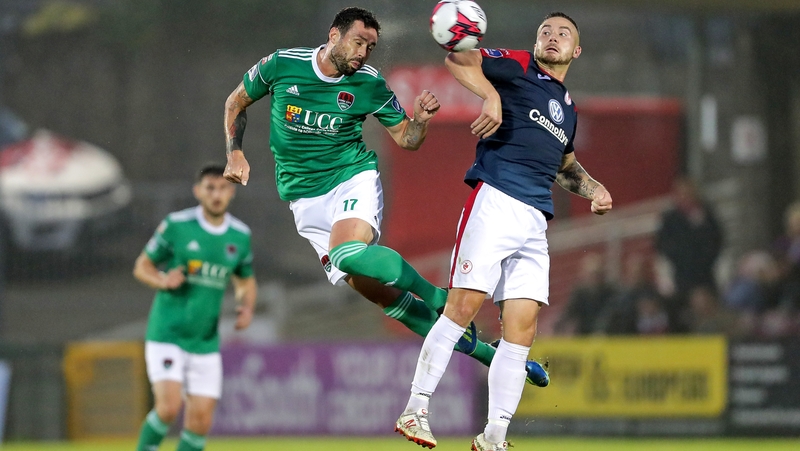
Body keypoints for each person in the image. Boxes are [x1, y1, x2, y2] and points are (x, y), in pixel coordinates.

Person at [221, 7, 549, 385]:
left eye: (371, 47)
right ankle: (496, 359)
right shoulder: (281, 65)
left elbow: (406, 139)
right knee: (385, 299)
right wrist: (235, 152)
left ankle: (439, 296)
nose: (363, 53)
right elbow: (236, 102)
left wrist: (420, 121)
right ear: (333, 35)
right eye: (358, 42)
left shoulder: (369, 83)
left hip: (350, 179)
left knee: (347, 252)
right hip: (304, 202)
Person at [395, 12, 613, 451]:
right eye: (545, 31)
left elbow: (565, 168)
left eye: (563, 33)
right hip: (495, 199)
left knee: (522, 329)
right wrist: (491, 97)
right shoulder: (516, 65)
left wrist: (594, 188)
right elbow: (458, 59)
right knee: (464, 305)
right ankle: (415, 407)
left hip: (535, 220)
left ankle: (494, 435)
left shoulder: (567, 108)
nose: (552, 37)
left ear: (577, 50)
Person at [133, 164, 257, 451]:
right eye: (210, 188)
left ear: (232, 192)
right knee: (168, 408)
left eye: (223, 188)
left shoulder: (240, 236)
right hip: (168, 334)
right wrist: (162, 280)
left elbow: (245, 281)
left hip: (205, 341)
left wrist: (246, 307)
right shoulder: (176, 226)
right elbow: (142, 266)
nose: (216, 194)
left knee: (200, 421)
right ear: (197, 191)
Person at [654, 176, 723, 329]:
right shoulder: (670, 218)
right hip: (678, 275)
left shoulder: (706, 215)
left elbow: (716, 241)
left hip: (703, 275)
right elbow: (662, 245)